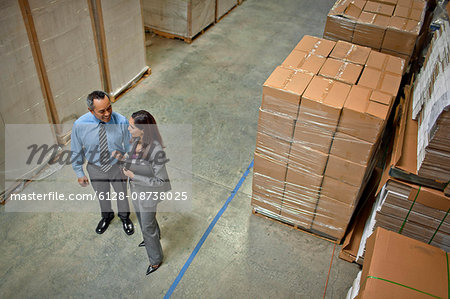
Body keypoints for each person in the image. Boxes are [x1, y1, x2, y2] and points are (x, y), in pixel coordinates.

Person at [71, 90, 134, 235]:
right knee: (102, 195)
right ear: (91, 111)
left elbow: (130, 147)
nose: (107, 113)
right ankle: (107, 216)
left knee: (122, 194)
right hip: (95, 167)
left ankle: (124, 217)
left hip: (117, 166)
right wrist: (79, 172)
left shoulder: (121, 121)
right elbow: (76, 150)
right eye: (102, 111)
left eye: (109, 107)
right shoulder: (80, 125)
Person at [118, 110, 171, 275]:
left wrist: (134, 176)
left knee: (147, 227)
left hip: (148, 195)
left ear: (143, 130)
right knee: (143, 219)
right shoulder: (136, 141)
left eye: (132, 126)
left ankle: (155, 260)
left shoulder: (156, 152)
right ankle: (153, 238)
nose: (128, 129)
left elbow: (161, 181)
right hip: (136, 191)